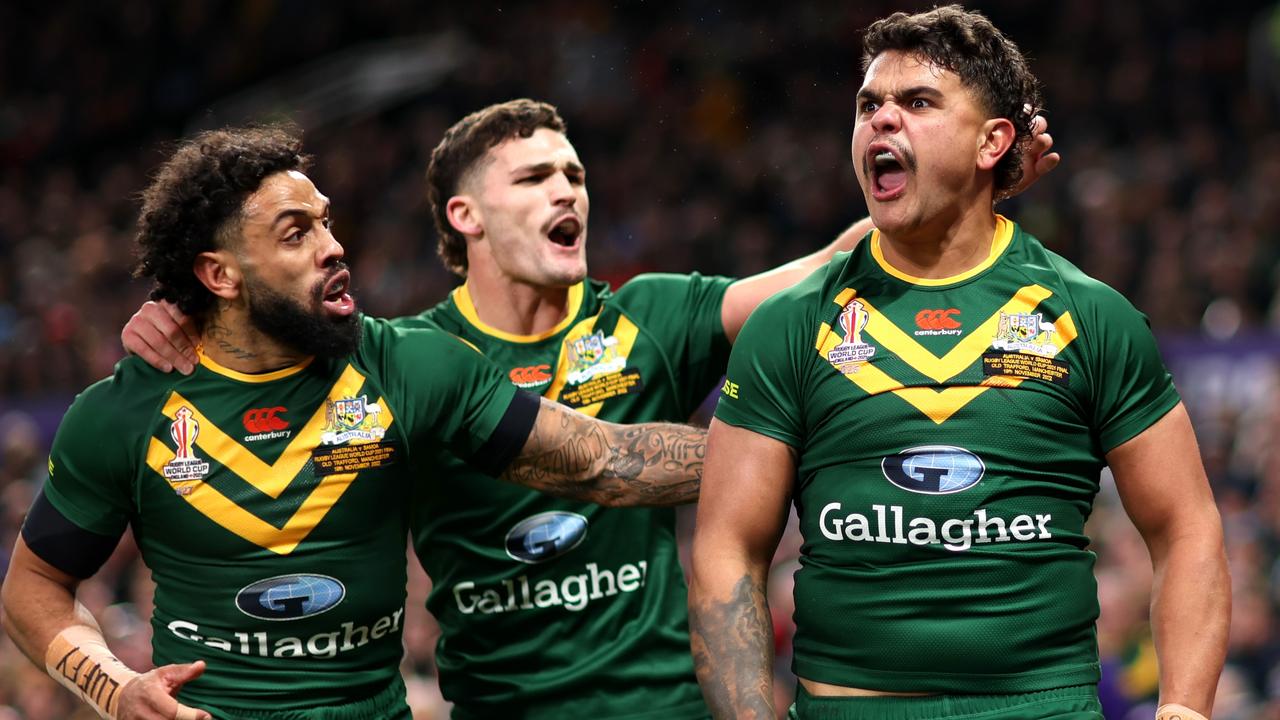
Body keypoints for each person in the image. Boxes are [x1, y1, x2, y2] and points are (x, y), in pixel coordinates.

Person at [121, 101, 1056, 717]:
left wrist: (962, 189)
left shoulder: (651, 315)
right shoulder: (408, 363)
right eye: (533, 178)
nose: (568, 189)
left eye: (573, 173)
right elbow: (257, 357)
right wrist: (179, 320)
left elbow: (821, 276)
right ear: (465, 216)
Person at [0, 126, 708, 720]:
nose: (332, 246)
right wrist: (114, 687)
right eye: (296, 233)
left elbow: (601, 461)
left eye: (327, 222)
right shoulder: (123, 412)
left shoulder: (414, 368)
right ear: (220, 275)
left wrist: (787, 443)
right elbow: (32, 587)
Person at [689, 6, 1230, 720]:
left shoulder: (1091, 315)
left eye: (917, 102)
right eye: (868, 105)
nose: (882, 120)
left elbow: (1187, 529)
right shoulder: (790, 324)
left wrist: (1184, 712)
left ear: (992, 141)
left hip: (1042, 707)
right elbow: (727, 550)